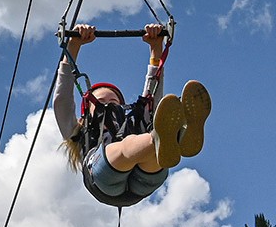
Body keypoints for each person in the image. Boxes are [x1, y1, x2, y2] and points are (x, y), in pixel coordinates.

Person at [54, 23, 211, 209]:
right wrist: (73, 46)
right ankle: (175, 137)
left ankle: (170, 140)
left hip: (144, 180)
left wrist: (156, 47)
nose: (110, 105)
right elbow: (62, 100)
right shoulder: (79, 130)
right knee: (130, 145)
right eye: (102, 101)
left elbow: (153, 97)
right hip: (102, 179)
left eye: (114, 101)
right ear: (86, 111)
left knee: (152, 139)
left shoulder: (133, 121)